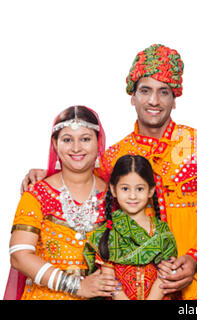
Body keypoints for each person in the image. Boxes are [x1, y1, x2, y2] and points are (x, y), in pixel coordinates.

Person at [21, 44, 197, 300]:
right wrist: (49, 172)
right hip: (136, 291)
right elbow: (83, 182)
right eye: (145, 91)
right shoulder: (114, 156)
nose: (154, 101)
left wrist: (195, 260)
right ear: (132, 96)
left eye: (164, 92)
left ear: (175, 98)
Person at [6, 106, 121, 300]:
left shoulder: (116, 192)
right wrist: (77, 286)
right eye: (67, 140)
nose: (76, 148)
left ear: (98, 141)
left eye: (85, 139)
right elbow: (19, 256)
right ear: (55, 143)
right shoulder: (38, 193)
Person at [83, 155, 178, 300]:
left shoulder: (161, 230)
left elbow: (165, 274)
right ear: (114, 190)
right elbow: (108, 280)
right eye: (125, 188)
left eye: (139, 189)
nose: (132, 196)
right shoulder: (108, 232)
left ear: (151, 191)